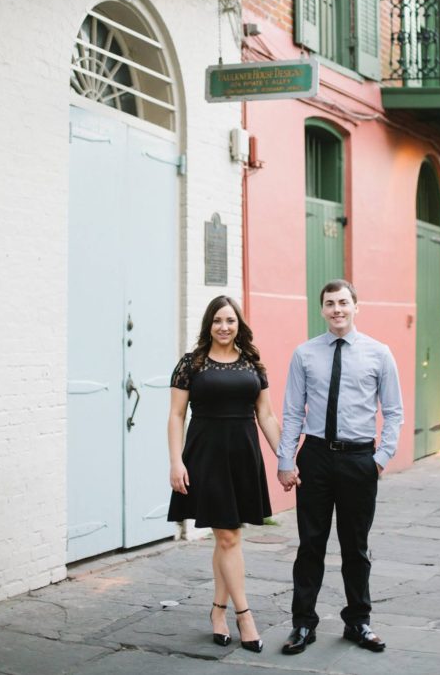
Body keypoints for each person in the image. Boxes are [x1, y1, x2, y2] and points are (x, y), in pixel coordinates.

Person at [277, 279, 404, 655]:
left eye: (343, 302)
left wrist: (380, 459)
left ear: (355, 306)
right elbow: (291, 411)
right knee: (310, 545)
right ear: (322, 310)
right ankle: (303, 625)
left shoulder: (379, 353)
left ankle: (358, 622)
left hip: (358, 459)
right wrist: (286, 461)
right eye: (330, 303)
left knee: (356, 546)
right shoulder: (304, 354)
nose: (337, 309)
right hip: (315, 458)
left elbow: (394, 412)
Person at [167, 295, 281, 653]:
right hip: (206, 455)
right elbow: (175, 415)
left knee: (227, 539)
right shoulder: (192, 364)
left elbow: (266, 416)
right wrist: (176, 462)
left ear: (238, 324)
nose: (224, 327)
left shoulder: (253, 364)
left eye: (230, 320)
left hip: (243, 456)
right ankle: (244, 615)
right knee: (229, 538)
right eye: (217, 320)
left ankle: (218, 611)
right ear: (208, 325)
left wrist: (286, 458)